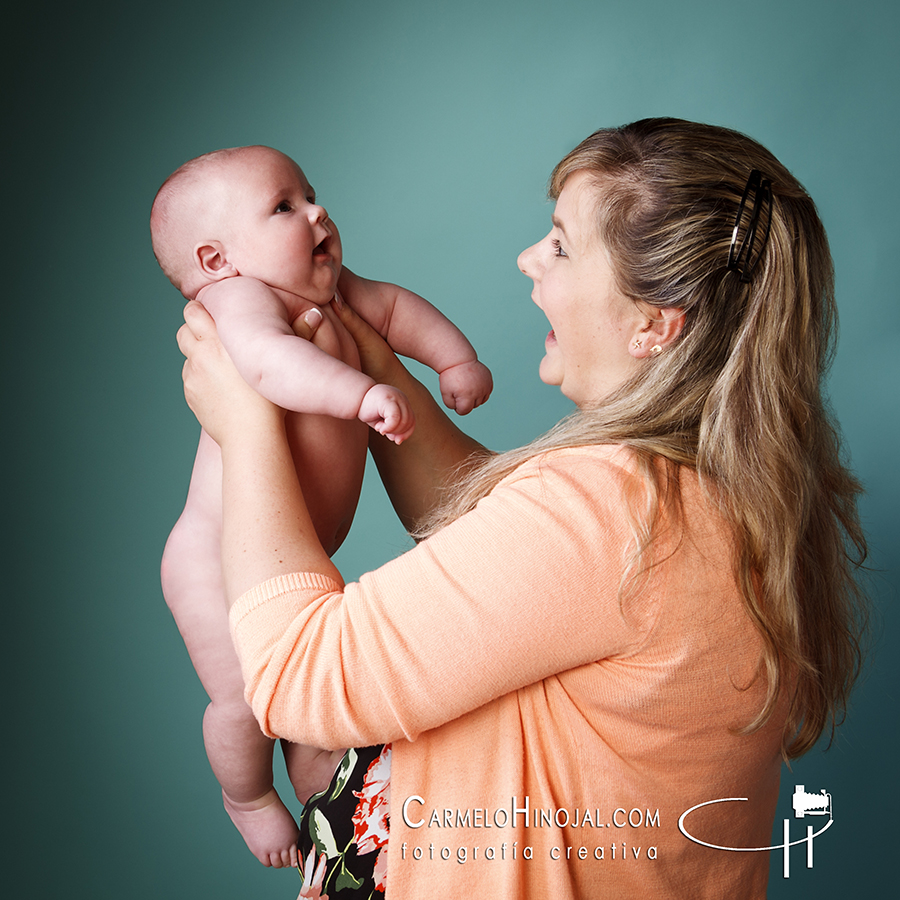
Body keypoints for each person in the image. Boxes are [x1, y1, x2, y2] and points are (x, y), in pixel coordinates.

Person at [176, 119, 868, 898]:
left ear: (653, 324)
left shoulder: (614, 507)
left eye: (563, 246)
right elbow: (499, 545)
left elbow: (298, 675)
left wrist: (247, 421)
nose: (529, 260)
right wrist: (368, 357)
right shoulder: (695, 491)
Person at [151, 145, 492, 868]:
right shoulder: (238, 301)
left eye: (309, 194)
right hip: (213, 564)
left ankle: (321, 787)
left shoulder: (328, 291)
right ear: (217, 260)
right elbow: (268, 365)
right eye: (284, 206)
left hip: (284, 555)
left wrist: (452, 359)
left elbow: (395, 309)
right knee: (245, 700)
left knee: (308, 692)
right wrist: (359, 395)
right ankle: (245, 795)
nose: (316, 212)